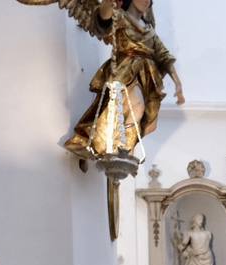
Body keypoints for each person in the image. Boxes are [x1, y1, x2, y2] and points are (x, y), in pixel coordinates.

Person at [38, 0, 185, 158]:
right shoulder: (120, 16)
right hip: (126, 71)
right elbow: (103, 20)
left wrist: (178, 84)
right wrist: (109, 3)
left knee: (141, 118)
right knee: (135, 107)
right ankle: (118, 150)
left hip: (147, 79)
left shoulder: (149, 30)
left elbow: (165, 57)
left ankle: (124, 151)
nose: (145, 1)